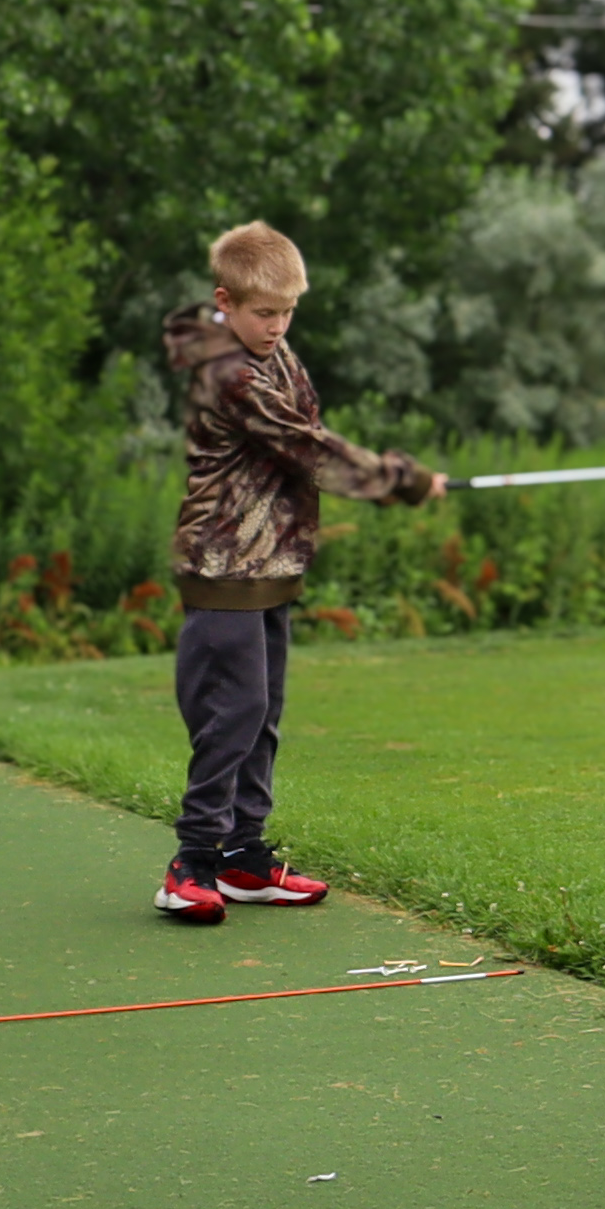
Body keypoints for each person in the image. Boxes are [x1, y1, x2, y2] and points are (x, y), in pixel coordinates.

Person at [155, 222, 446, 924]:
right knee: (236, 711)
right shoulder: (230, 373)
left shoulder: (274, 352)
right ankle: (191, 863)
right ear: (225, 301)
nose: (278, 326)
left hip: (270, 564)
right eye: (264, 313)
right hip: (223, 565)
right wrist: (401, 479)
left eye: (288, 312)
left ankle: (244, 860)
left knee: (263, 718)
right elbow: (308, 448)